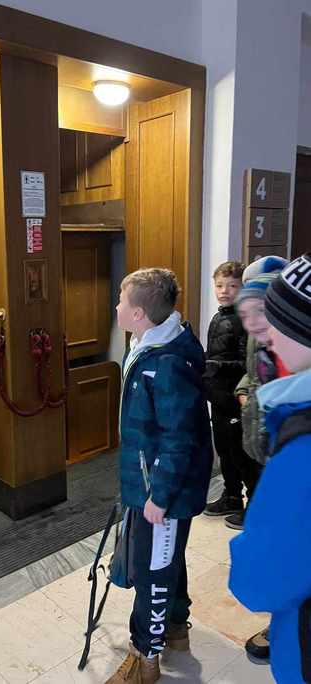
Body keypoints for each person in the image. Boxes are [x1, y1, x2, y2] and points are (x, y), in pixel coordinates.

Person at [106, 268, 212, 684]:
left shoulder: (166, 362)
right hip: (151, 479)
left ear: (138, 314)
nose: (115, 306)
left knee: (152, 571)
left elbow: (179, 439)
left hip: (162, 490)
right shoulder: (148, 343)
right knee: (167, 558)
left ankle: (145, 657)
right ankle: (175, 629)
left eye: (121, 300)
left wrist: (160, 496)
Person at [230, 253, 311, 684]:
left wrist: (246, 547)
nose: (268, 334)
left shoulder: (303, 447)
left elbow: (259, 581)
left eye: (276, 321)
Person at [232, 255, 289, 659]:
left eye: (261, 310)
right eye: (246, 311)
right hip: (265, 450)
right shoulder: (261, 337)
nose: (252, 321)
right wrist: (244, 390)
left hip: (286, 454)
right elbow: (253, 371)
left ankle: (285, 625)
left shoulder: (295, 348)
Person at [203, 261, 261, 524]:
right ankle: (232, 495)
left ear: (243, 287)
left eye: (232, 286)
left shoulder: (245, 319)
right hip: (218, 397)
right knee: (224, 450)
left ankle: (254, 505)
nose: (224, 291)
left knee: (242, 453)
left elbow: (247, 363)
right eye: (219, 286)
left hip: (236, 397)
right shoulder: (218, 317)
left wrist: (216, 365)